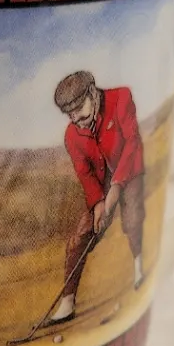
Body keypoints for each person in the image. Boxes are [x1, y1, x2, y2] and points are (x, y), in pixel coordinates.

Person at [48, 70, 146, 324]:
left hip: (129, 167)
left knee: (132, 217)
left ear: (93, 93)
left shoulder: (121, 98)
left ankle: (139, 266)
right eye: (70, 115)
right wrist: (99, 203)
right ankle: (67, 302)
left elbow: (132, 142)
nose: (76, 119)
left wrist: (116, 188)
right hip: (102, 181)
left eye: (80, 110)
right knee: (81, 235)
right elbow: (85, 173)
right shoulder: (72, 136)